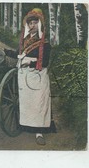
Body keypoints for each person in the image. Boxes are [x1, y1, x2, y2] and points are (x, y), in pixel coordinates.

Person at [5, 8, 55, 145]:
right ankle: (26, 126)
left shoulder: (45, 43)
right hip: (25, 77)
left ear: (40, 25)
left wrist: (29, 62)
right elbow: (18, 54)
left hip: (38, 76)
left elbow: (44, 62)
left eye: (35, 23)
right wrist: (5, 52)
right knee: (27, 104)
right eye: (30, 23)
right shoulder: (25, 40)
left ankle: (39, 133)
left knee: (38, 103)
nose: (32, 25)